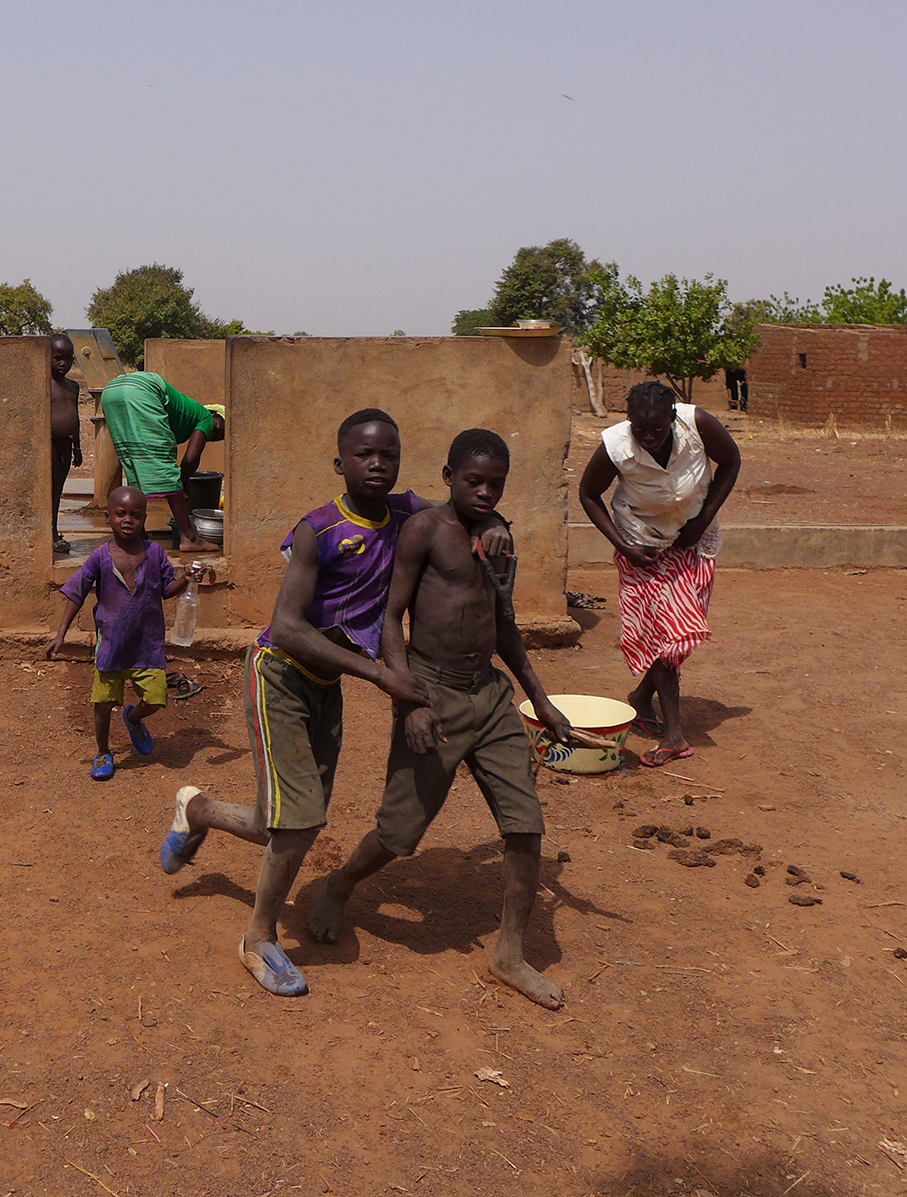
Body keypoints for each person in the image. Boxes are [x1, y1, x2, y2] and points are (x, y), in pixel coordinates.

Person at [156, 409, 511, 998]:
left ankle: (200, 812)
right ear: (340, 463)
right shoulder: (317, 532)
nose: (378, 464)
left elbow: (464, 505)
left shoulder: (407, 511)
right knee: (298, 823)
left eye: (389, 455)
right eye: (365, 454)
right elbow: (288, 627)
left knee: (297, 817)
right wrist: (377, 673)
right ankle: (259, 939)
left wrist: (494, 521)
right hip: (281, 676)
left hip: (328, 685)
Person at [306, 429, 575, 1010]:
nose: (483, 492)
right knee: (399, 834)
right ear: (448, 475)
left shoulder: (500, 538)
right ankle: (341, 882)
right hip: (435, 695)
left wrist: (541, 700)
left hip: (491, 697)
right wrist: (411, 703)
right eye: (472, 480)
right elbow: (390, 617)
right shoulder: (424, 531)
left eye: (494, 484)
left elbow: (504, 622)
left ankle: (508, 953)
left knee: (525, 825)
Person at [577, 381, 741, 768]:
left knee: (679, 634)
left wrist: (702, 521)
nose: (648, 437)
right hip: (641, 546)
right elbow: (588, 493)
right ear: (629, 420)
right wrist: (624, 546)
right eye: (640, 428)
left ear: (673, 416)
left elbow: (731, 462)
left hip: (693, 542)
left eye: (657, 428)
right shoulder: (616, 445)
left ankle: (640, 697)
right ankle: (675, 736)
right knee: (666, 634)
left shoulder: (698, 423)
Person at [42, 486, 193, 780]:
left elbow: (167, 590)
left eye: (136, 515)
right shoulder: (99, 557)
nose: (128, 520)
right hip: (111, 645)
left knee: (156, 698)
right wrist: (60, 635)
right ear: (108, 517)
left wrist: (185, 579)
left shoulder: (155, 553)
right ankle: (103, 750)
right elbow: (77, 594)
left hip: (146, 646)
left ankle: (134, 718)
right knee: (102, 703)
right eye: (121, 514)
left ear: (145, 519)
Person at [99, 371, 225, 552]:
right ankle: (189, 538)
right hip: (143, 390)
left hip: (111, 391)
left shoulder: (184, 415)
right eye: (221, 428)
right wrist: (183, 482)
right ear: (214, 414)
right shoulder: (205, 417)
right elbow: (190, 460)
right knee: (167, 466)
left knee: (133, 459)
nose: (215, 435)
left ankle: (137, 533)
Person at [50, 334, 83, 555]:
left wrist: (77, 447)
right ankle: (50, 534)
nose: (64, 364)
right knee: (50, 490)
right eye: (58, 358)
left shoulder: (72, 386)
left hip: (65, 446)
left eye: (69, 359)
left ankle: (53, 530)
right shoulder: (44, 384)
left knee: (59, 489)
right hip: (49, 445)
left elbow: (75, 416)